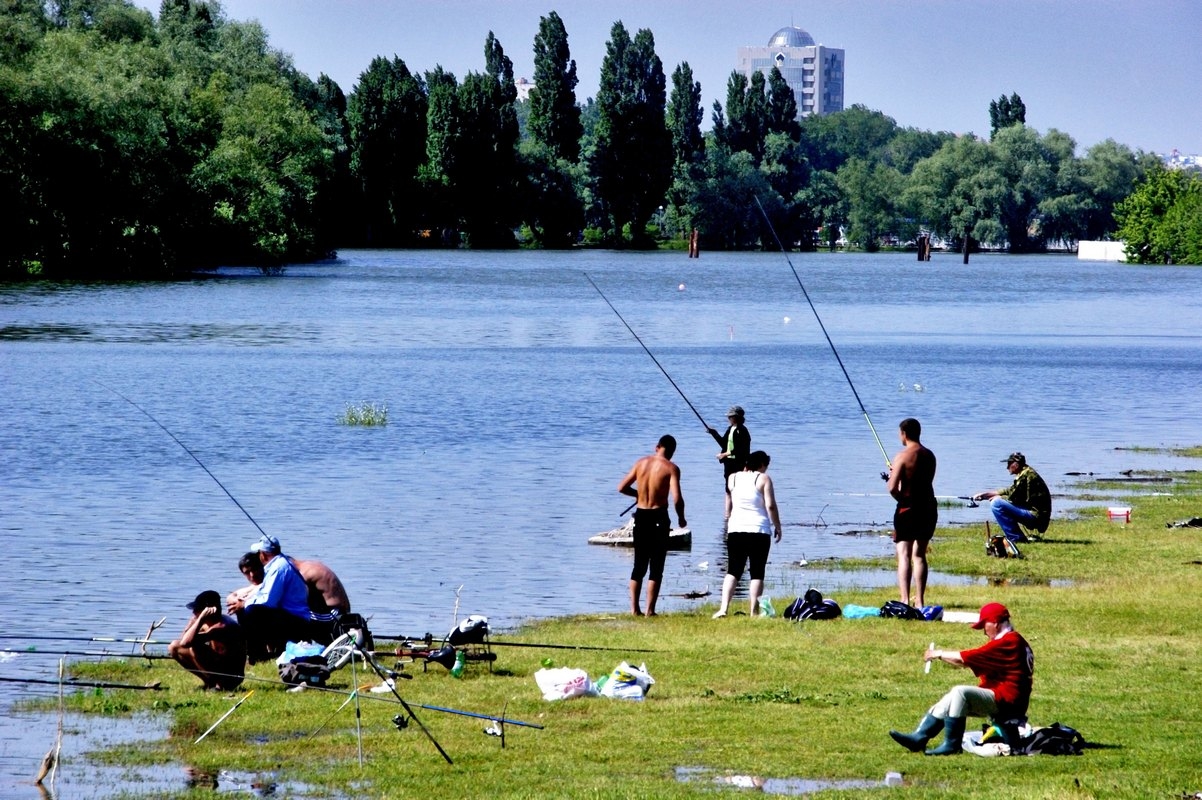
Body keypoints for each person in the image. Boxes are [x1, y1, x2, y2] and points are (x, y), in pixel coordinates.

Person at [889, 602, 1034, 756]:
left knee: (960, 692)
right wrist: (940, 656)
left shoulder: (1008, 642)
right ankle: (919, 737)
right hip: (1008, 699)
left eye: (985, 625)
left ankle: (952, 744)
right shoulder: (1014, 640)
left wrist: (938, 653)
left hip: (1007, 702)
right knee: (953, 696)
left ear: (995, 624)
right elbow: (965, 662)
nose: (984, 632)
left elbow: (966, 658)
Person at [227, 534, 328, 662]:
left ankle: (256, 655)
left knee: (252, 610)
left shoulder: (279, 567)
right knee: (248, 608)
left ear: (263, 554)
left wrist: (244, 604)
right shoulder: (281, 563)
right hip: (293, 618)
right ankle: (256, 653)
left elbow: (268, 601)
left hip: (297, 622)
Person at [618, 434, 686, 617]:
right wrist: (681, 518)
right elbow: (677, 498)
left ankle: (634, 610)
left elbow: (621, 487)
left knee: (639, 564)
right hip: (658, 517)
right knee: (656, 565)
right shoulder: (671, 468)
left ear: (657, 447)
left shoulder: (641, 463)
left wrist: (639, 496)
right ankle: (650, 610)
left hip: (640, 516)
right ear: (672, 451)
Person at [712, 451, 782, 619]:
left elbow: (728, 499)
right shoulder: (763, 479)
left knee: (733, 571)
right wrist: (778, 526)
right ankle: (754, 611)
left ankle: (723, 609)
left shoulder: (732, 478)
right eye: (765, 466)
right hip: (759, 530)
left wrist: (728, 517)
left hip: (736, 529)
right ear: (761, 465)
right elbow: (770, 506)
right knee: (757, 572)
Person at [887, 418, 937, 608]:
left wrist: (900, 495)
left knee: (904, 554)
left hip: (907, 509)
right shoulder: (930, 455)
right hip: (929, 508)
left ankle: (905, 599)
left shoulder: (901, 456)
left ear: (904, 434)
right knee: (920, 555)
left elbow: (892, 488)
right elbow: (921, 481)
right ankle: (921, 601)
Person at [169, 589, 246, 690]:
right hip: (220, 664)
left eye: (197, 610)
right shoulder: (208, 622)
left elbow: (186, 643)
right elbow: (182, 640)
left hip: (232, 675)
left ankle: (220, 685)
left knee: (195, 647)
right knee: (174, 646)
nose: (194, 612)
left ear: (209, 610)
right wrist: (193, 622)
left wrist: (200, 619)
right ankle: (210, 683)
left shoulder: (222, 626)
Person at [972, 452, 1051, 543]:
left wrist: (997, 498)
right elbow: (1010, 491)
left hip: (1036, 517)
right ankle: (1017, 536)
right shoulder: (1027, 472)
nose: (1007, 467)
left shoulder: (1025, 475)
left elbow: (1012, 498)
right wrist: (985, 495)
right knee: (998, 501)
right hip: (1039, 517)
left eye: (1009, 464)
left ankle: (1016, 538)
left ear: (1016, 464)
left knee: (996, 504)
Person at [706, 405, 750, 521]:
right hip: (729, 463)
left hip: (739, 463)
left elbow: (741, 449)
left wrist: (724, 454)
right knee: (728, 490)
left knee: (737, 490)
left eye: (731, 416)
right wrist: (714, 433)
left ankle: (738, 515)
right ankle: (727, 516)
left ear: (737, 417)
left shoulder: (743, 430)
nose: (729, 418)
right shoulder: (730, 429)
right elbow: (723, 444)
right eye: (729, 416)